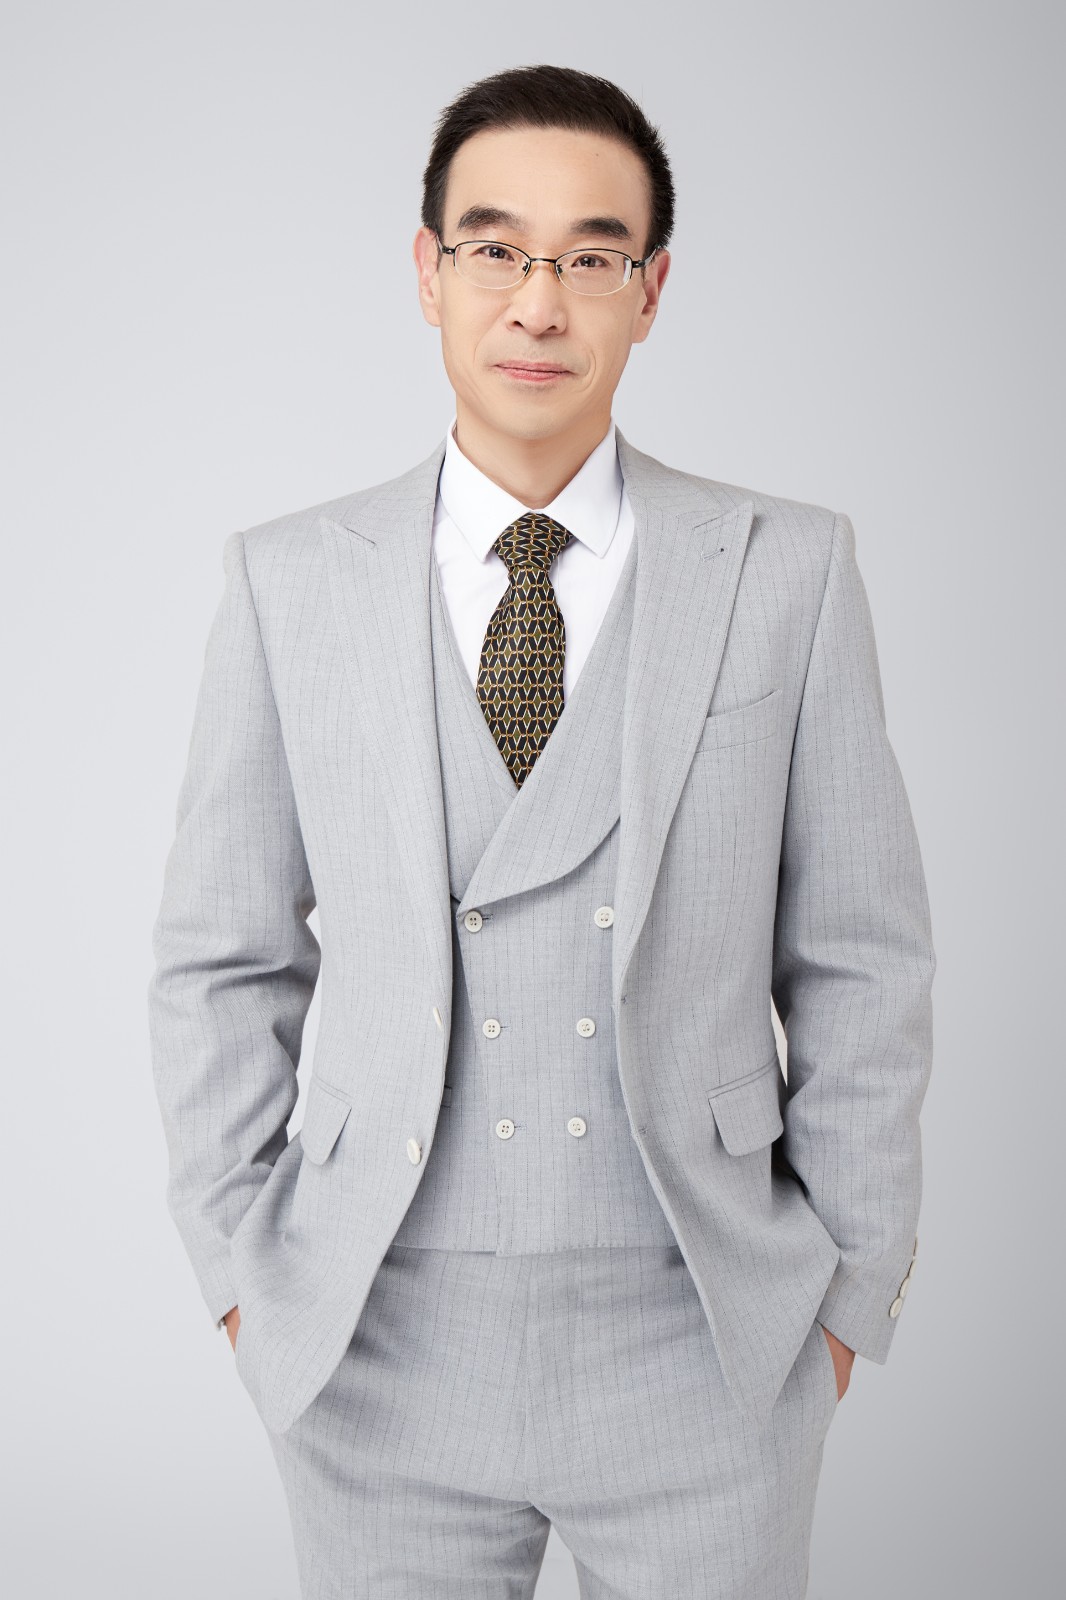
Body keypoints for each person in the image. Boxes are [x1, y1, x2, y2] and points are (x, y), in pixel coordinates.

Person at [148, 61, 935, 1598]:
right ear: (427, 273)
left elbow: (861, 954)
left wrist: (845, 1295)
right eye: (494, 249)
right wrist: (243, 1273)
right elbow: (218, 958)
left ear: (650, 292)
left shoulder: (785, 568)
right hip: (375, 1334)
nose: (536, 302)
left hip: (703, 1329)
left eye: (589, 257)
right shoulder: (288, 580)